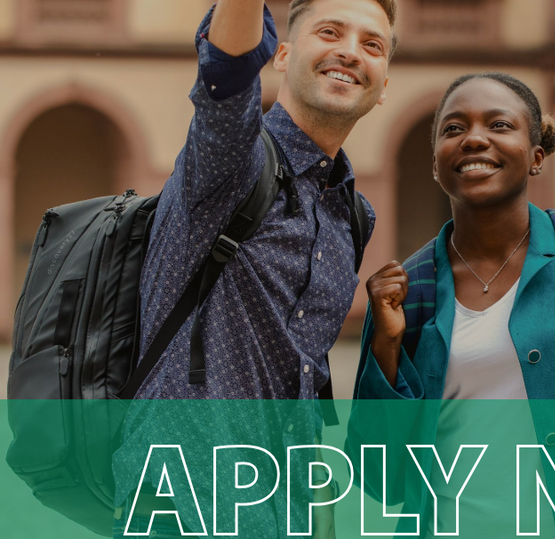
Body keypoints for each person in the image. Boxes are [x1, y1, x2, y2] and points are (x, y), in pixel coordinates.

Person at [111, 1, 397, 537]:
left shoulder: (352, 215)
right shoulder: (231, 161)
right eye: (330, 32)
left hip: (285, 513)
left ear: (384, 86)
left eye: (372, 44)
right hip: (184, 507)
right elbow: (226, 70)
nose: (349, 52)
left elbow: (305, 381)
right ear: (281, 55)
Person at [348, 73, 555, 539]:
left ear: (537, 156)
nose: (474, 138)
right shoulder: (408, 290)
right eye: (454, 129)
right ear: (436, 165)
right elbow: (380, 478)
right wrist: (386, 345)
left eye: (499, 125)